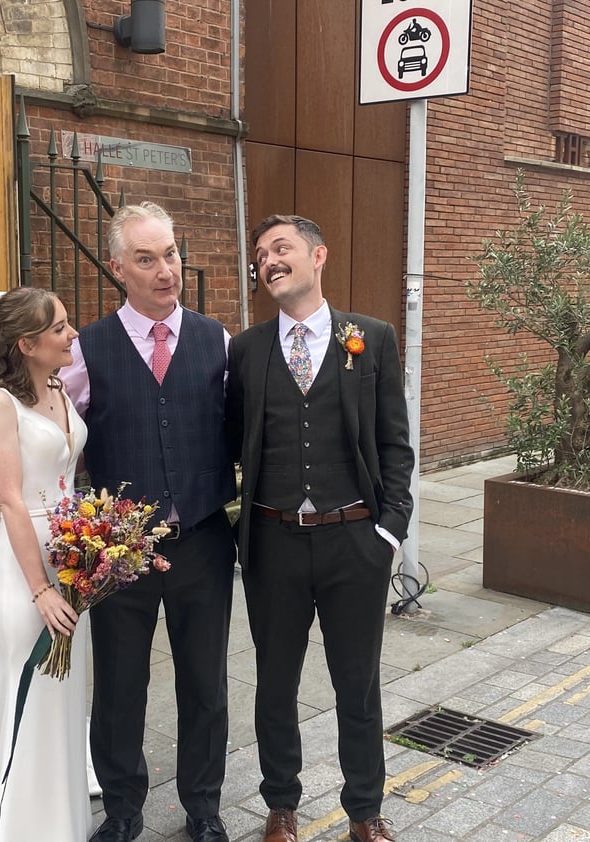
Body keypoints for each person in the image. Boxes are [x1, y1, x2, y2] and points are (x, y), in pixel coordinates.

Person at [225, 215, 414, 842]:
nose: (269, 261)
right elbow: (231, 443)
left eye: (282, 249)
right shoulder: (247, 349)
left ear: (318, 256)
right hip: (273, 541)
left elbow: (394, 443)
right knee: (275, 683)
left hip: (354, 541)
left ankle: (365, 812)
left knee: (356, 684)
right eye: (261, 254)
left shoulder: (372, 338)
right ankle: (281, 805)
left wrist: (388, 531)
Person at [60, 201, 237, 842]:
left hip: (202, 539)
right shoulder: (86, 348)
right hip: (119, 548)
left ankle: (204, 808)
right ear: (117, 269)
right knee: (119, 684)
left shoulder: (217, 340)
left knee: (205, 682)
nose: (166, 271)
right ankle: (124, 808)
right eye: (146, 259)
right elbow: (51, 431)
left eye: (171, 254)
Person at [0, 287, 92, 842]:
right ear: (26, 343)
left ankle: (61, 821)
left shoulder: (57, 387)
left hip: (72, 553)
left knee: (65, 689)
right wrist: (41, 590)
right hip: (24, 563)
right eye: (60, 327)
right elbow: (9, 497)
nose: (72, 334)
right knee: (29, 685)